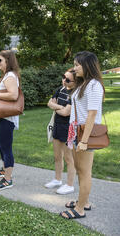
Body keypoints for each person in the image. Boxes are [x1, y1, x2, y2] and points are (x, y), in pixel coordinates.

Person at [60, 51, 104, 219]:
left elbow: (92, 114)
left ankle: (79, 209)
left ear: (88, 66)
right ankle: (83, 201)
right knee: (79, 169)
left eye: (78, 64)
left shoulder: (94, 85)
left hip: (85, 133)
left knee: (84, 172)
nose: (75, 67)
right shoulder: (84, 84)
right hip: (76, 130)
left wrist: (84, 141)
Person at [0, 50, 20, 191]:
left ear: (8, 61)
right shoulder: (6, 76)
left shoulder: (10, 76)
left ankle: (7, 179)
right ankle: (4, 169)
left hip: (7, 118)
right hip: (1, 117)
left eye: (0, 60)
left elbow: (13, 95)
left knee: (6, 148)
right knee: (0, 145)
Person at [44, 70, 76, 194]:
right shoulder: (60, 89)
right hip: (57, 125)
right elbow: (49, 103)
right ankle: (57, 180)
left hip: (68, 128)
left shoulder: (74, 94)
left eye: (68, 79)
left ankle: (69, 184)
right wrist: (60, 107)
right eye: (63, 77)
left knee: (68, 158)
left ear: (75, 81)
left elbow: (66, 113)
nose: (64, 80)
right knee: (57, 156)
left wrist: (57, 107)